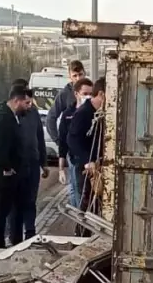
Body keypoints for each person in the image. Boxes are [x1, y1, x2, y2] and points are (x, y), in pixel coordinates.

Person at [0, 85, 30, 248]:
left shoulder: (11, 117)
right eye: (25, 103)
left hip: (12, 173)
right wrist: (7, 167)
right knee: (3, 210)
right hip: (3, 174)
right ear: (16, 100)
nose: (28, 106)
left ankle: (16, 240)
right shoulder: (3, 119)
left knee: (17, 208)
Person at [65, 77, 106, 211]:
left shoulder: (101, 113)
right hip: (83, 165)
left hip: (95, 164)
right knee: (85, 202)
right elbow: (72, 140)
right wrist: (87, 160)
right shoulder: (83, 113)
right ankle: (82, 231)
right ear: (101, 94)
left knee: (95, 203)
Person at [13, 85, 49, 238]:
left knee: (30, 200)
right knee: (16, 202)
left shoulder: (33, 112)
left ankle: (30, 232)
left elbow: (39, 137)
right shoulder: (10, 114)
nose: (28, 105)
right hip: (17, 164)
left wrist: (43, 162)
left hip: (33, 163)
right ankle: (14, 234)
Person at [44, 60, 86, 185]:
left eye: (80, 74)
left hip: (88, 145)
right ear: (70, 76)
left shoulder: (90, 89)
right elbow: (50, 118)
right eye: (75, 75)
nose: (78, 78)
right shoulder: (65, 94)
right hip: (72, 146)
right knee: (74, 184)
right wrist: (59, 141)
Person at [57, 77, 93, 206]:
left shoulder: (94, 112)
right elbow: (63, 140)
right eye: (85, 94)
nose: (88, 97)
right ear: (76, 94)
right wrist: (61, 168)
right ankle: (79, 219)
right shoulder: (68, 114)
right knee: (77, 191)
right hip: (75, 159)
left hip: (91, 159)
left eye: (91, 94)